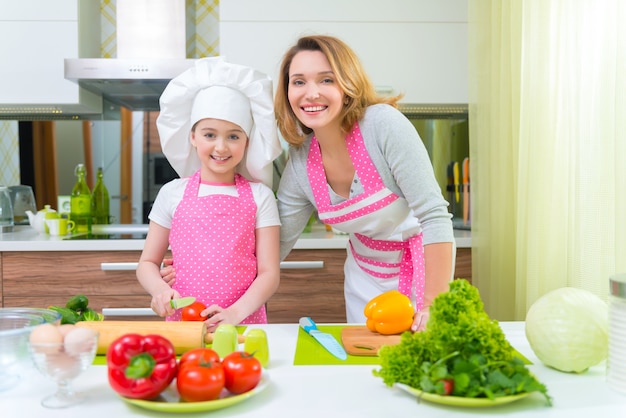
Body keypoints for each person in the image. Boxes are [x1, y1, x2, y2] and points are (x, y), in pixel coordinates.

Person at [274, 35, 455, 332]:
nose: (311, 93)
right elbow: (276, 244)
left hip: (423, 268)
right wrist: (214, 267)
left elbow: (434, 216)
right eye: (299, 82)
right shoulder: (300, 161)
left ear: (347, 86)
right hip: (364, 275)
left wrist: (433, 303)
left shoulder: (382, 126)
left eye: (326, 80)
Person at [137, 56, 283, 330]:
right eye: (209, 134)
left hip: (243, 322)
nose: (221, 147)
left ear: (247, 141)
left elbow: (269, 273)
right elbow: (147, 262)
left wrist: (234, 313)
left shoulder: (261, 196)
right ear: (192, 137)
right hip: (184, 323)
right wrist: (159, 289)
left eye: (233, 136)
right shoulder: (172, 194)